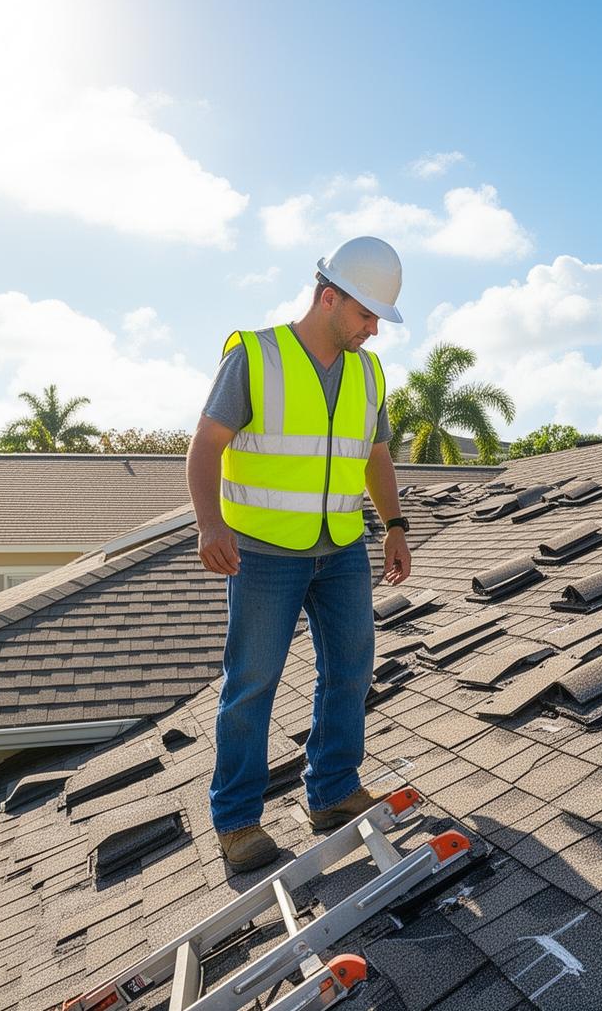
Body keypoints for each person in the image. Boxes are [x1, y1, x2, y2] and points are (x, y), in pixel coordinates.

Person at [186, 235, 415, 872]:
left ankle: (334, 792)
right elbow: (205, 446)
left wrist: (393, 523)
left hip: (341, 545)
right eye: (367, 315)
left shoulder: (369, 373)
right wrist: (210, 524)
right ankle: (236, 822)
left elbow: (374, 454)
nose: (374, 330)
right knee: (252, 683)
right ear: (328, 297)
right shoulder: (255, 356)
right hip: (262, 552)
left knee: (350, 669)